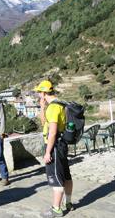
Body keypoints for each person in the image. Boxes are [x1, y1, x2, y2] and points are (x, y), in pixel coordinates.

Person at [34, 80, 73, 217]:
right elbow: (45, 123)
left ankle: (56, 209)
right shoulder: (59, 104)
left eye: (39, 92)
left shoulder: (53, 108)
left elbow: (52, 132)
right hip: (62, 144)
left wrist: (47, 152)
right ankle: (68, 203)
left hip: (55, 145)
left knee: (56, 177)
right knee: (66, 176)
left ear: (44, 93)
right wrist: (42, 107)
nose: (38, 94)